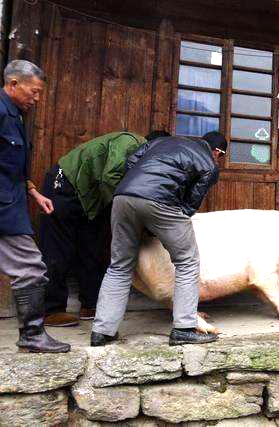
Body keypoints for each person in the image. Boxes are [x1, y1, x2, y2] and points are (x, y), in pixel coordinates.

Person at [90, 131, 227, 346]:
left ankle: (102, 331)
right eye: (220, 155)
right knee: (187, 261)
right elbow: (191, 204)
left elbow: (131, 162)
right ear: (217, 151)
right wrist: (162, 220)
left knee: (119, 266)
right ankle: (184, 328)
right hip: (161, 200)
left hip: (123, 197)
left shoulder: (162, 141)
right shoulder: (209, 164)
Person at [40, 130, 170, 327]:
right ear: (154, 146)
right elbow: (110, 177)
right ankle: (52, 310)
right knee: (59, 249)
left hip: (91, 199)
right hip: (64, 185)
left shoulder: (143, 161)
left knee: (92, 249)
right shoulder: (129, 142)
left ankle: (90, 304)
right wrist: (130, 212)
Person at [0, 60, 70, 352]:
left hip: (12, 200)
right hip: (3, 208)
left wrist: (33, 191)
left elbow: (11, 165)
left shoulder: (15, 115)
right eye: (34, 91)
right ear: (13, 84)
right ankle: (31, 334)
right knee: (30, 267)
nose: (37, 98)